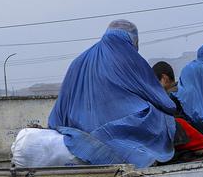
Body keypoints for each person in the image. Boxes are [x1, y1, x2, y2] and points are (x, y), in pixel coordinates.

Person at [47, 19, 177, 168]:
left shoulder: (78, 62)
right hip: (117, 138)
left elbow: (58, 114)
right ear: (132, 40)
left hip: (77, 138)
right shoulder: (127, 56)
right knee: (163, 119)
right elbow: (160, 100)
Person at [150, 61, 203, 163]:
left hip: (197, 147)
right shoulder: (186, 93)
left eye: (155, 82)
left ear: (164, 78)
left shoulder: (169, 100)